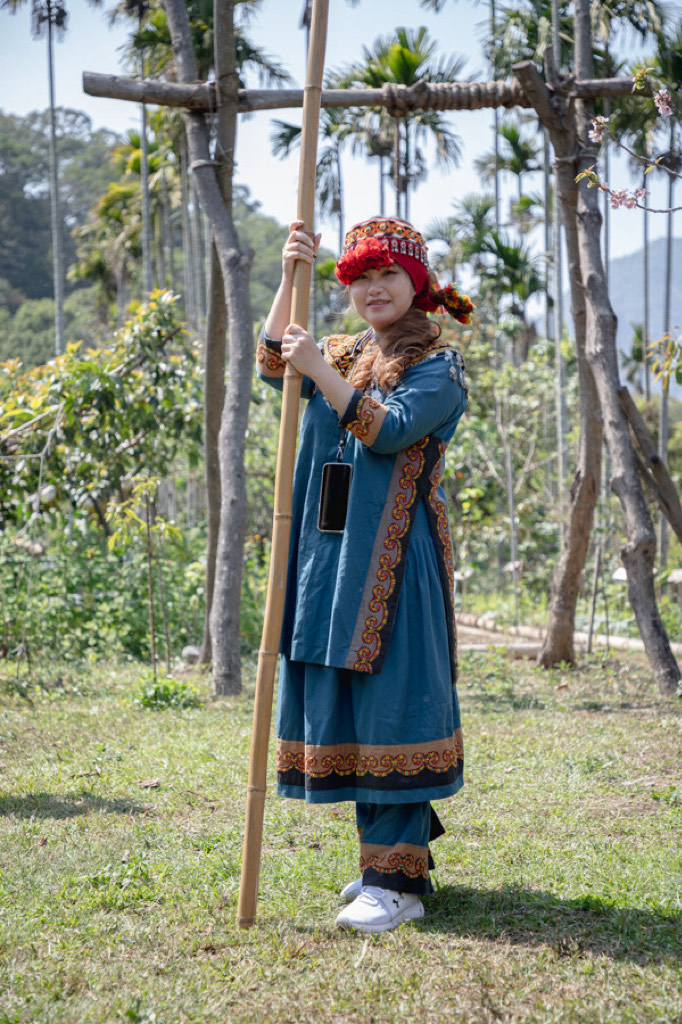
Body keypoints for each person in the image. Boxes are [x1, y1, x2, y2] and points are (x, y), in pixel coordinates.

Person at [256, 216, 472, 934]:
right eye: (360, 278)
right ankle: (387, 861)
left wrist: (318, 368)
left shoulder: (439, 368)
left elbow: (389, 430)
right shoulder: (344, 350)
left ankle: (397, 886)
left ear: (417, 286)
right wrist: (292, 274)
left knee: (392, 707)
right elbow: (269, 360)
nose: (374, 289)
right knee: (350, 707)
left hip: (393, 563)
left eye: (389, 275)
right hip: (328, 561)